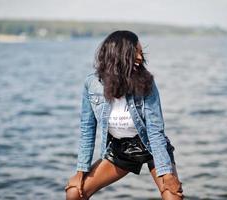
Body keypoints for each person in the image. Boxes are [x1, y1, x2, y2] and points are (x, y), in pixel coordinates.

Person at [65, 30, 184, 200]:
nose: (140, 58)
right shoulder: (92, 85)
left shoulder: (146, 82)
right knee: (74, 193)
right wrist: (80, 171)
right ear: (118, 55)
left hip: (152, 147)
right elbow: (87, 130)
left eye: (141, 53)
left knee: (173, 196)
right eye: (134, 52)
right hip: (121, 149)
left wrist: (167, 173)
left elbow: (155, 130)